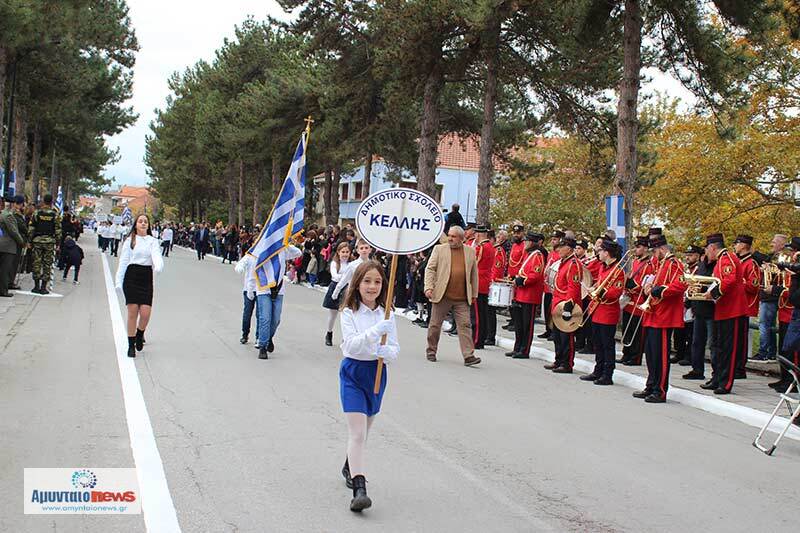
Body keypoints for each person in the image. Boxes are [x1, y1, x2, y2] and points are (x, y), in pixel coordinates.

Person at [338, 260, 399, 512]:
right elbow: (351, 346)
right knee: (358, 433)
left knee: (365, 430)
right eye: (366, 281)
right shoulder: (348, 313)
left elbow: (394, 348)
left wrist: (388, 350)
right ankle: (359, 489)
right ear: (358, 283)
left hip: (376, 373)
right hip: (353, 372)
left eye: (377, 281)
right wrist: (375, 332)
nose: (372, 286)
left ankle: (349, 464)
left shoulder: (387, 313)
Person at [632, 234, 687, 403]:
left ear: (662, 249)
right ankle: (651, 385)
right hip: (653, 313)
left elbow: (680, 285)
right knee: (650, 354)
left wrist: (658, 290)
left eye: (655, 251)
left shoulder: (674, 264)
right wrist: (649, 286)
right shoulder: (660, 264)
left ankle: (660, 390)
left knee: (660, 356)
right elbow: (653, 281)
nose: (654, 255)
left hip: (664, 316)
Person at [423, 225, 481, 366]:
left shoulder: (470, 252)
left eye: (453, 236)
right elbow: (430, 269)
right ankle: (431, 351)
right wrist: (428, 287)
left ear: (461, 238)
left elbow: (474, 274)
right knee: (435, 325)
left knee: (465, 326)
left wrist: (474, 294)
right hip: (442, 295)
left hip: (462, 298)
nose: (450, 238)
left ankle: (468, 356)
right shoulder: (439, 249)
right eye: (449, 235)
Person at [700, 233, 748, 395]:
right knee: (719, 347)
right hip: (723, 309)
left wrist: (711, 294)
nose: (707, 253)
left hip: (732, 310)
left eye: (707, 250)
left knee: (728, 348)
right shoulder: (721, 259)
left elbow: (728, 281)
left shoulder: (726, 259)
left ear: (712, 247)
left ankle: (725, 382)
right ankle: (717, 378)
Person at [115, 214, 164, 358]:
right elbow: (123, 262)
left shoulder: (153, 241)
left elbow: (156, 256)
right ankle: (131, 345)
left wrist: (159, 265)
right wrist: (119, 281)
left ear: (148, 225)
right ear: (136, 224)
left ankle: (140, 332)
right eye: (140, 221)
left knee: (145, 313)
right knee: (132, 312)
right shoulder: (130, 241)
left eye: (145, 222)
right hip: (132, 276)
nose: (143, 223)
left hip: (145, 277)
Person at [580, 239, 625, 385]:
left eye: (601, 251)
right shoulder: (603, 267)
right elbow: (600, 284)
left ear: (607, 252)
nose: (598, 253)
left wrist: (600, 292)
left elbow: (616, 292)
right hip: (597, 309)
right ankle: (598, 370)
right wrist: (594, 289)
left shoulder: (618, 270)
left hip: (608, 311)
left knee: (607, 344)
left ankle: (608, 374)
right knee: (598, 343)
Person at [254, 242, 302, 359]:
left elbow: (298, 253)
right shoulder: (261, 249)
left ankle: (269, 337)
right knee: (265, 318)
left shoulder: (282, 250)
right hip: (264, 288)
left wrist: (286, 244)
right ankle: (263, 346)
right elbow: (252, 263)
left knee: (275, 319)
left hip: (278, 290)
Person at [545, 237, 583, 374]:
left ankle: (567, 363)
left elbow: (573, 287)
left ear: (569, 249)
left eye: (562, 247)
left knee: (566, 336)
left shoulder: (573, 263)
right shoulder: (563, 262)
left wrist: (569, 305)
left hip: (566, 305)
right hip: (557, 302)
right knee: (557, 335)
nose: (559, 250)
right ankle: (558, 359)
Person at [507, 232, 545, 359]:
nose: (525, 244)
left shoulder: (537, 256)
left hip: (530, 295)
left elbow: (535, 274)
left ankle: (524, 350)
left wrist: (521, 281)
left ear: (532, 243)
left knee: (526, 325)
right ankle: (517, 347)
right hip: (521, 294)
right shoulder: (529, 255)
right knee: (519, 324)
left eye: (528, 241)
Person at [683, 247, 717, 381]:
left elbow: (714, 285)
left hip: (711, 310)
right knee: (696, 342)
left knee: (713, 344)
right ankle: (697, 370)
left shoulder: (717, 266)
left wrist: (702, 288)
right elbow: (694, 284)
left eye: (707, 251)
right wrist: (689, 304)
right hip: (699, 309)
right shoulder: (701, 266)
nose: (706, 255)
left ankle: (716, 374)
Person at [619, 236, 652, 365]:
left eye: (638, 247)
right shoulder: (635, 261)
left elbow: (645, 283)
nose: (636, 250)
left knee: (636, 332)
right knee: (626, 329)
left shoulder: (648, 264)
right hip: (629, 301)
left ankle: (635, 357)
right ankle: (626, 353)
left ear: (645, 248)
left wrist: (631, 285)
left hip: (638, 301)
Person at [754, 234, 788, 360]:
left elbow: (783, 276)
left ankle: (763, 352)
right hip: (772, 295)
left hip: (772, 295)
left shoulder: (783, 259)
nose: (771, 244)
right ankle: (771, 352)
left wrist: (767, 270)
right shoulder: (772, 257)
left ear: (781, 244)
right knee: (770, 325)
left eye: (774, 242)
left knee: (764, 324)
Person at [734, 234, 760, 375]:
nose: (735, 246)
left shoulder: (751, 263)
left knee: (741, 339)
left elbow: (753, 286)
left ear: (744, 245)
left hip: (746, 305)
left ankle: (740, 367)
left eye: (737, 244)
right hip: (737, 304)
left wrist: (738, 283)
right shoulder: (739, 262)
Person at [28, 193, 61, 295]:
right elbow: (58, 230)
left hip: (37, 241)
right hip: (49, 242)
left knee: (36, 263)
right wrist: (58, 243)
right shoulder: (55, 215)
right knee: (47, 264)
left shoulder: (37, 213)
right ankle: (43, 287)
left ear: (43, 201)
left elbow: (31, 228)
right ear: (52, 202)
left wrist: (29, 240)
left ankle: (36, 286)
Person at [323, 242, 352, 346]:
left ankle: (346, 337)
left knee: (346, 315)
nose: (345, 254)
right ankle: (329, 333)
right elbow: (335, 276)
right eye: (343, 252)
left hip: (347, 289)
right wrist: (345, 277)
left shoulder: (351, 264)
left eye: (347, 252)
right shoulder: (335, 263)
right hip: (336, 287)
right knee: (333, 314)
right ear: (338, 252)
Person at [539, 230, 565, 340]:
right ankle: (548, 329)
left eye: (555, 239)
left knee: (553, 310)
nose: (552, 241)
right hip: (547, 286)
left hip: (555, 288)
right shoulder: (551, 253)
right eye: (552, 239)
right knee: (547, 310)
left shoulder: (560, 254)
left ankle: (554, 330)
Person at [473, 225, 495, 350]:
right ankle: (480, 338)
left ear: (478, 234)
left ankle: (477, 339)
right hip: (484, 282)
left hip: (479, 282)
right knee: (482, 313)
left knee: (477, 314)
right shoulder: (490, 247)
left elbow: (475, 264)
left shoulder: (481, 247)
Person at [0, 196, 25, 297]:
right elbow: (14, 231)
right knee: (5, 270)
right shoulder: (8, 215)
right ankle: (3, 291)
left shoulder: (4, 214)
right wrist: (22, 242)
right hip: (8, 246)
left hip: (4, 245)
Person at [486, 229, 508, 345]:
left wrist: (490, 281)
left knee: (490, 312)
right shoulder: (493, 249)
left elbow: (497, 268)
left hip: (493, 284)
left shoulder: (498, 250)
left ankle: (490, 336)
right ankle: (486, 334)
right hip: (488, 283)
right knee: (486, 311)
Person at [504, 224, 526, 332]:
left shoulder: (524, 246)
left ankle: (515, 322)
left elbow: (523, 262)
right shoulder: (514, 245)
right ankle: (512, 321)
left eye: (518, 233)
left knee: (517, 302)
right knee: (511, 300)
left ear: (522, 233)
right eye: (514, 233)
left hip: (518, 276)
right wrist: (509, 273)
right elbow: (511, 261)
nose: (516, 235)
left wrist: (518, 276)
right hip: (511, 276)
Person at [8, 195, 28, 290]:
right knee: (14, 263)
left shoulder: (18, 213)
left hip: (17, 240)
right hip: (16, 241)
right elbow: (22, 227)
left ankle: (10, 281)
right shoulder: (15, 214)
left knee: (15, 263)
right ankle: (10, 282)